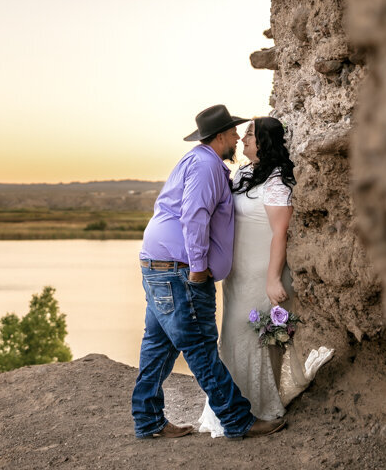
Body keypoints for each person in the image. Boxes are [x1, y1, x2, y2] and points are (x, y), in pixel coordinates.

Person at [131, 104, 287, 440]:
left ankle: (148, 420)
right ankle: (237, 420)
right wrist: (199, 269)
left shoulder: (197, 160)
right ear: (220, 137)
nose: (236, 138)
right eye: (233, 132)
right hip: (180, 269)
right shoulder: (206, 166)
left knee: (158, 345)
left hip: (158, 265)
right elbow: (194, 217)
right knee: (201, 346)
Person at [199, 116, 334, 437]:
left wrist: (273, 280)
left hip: (263, 274)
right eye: (243, 135)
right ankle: (229, 411)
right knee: (230, 340)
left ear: (265, 142)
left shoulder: (277, 180)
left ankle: (254, 411)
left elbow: (280, 233)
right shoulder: (243, 174)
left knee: (249, 341)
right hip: (238, 275)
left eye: (249, 135)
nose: (242, 140)